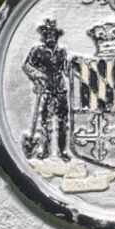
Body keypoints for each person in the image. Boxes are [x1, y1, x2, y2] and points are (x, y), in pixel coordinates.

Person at [24, 19, 72, 160]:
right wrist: (39, 75)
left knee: (63, 122)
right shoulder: (37, 51)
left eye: (53, 35)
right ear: (43, 36)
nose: (50, 37)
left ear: (57, 36)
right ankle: (44, 150)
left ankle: (62, 151)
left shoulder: (62, 52)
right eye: (47, 34)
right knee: (45, 122)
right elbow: (27, 66)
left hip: (60, 90)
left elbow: (65, 69)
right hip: (46, 91)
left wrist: (72, 67)